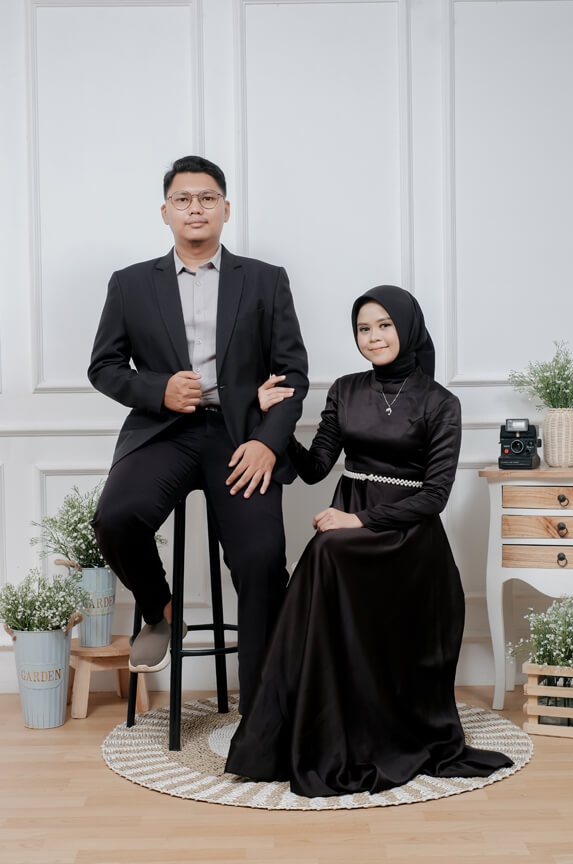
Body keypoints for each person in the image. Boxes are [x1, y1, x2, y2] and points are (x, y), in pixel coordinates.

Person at [225, 285, 512, 796]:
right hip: (348, 528)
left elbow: (435, 497)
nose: (373, 337)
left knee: (326, 549)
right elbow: (314, 468)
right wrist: (270, 420)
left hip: (407, 540)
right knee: (324, 552)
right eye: (363, 328)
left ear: (408, 328)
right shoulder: (345, 390)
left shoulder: (441, 402)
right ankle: (293, 732)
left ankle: (327, 729)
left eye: (384, 325)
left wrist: (358, 521)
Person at [88, 156, 308, 712]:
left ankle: (264, 712)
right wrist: (158, 389)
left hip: (241, 437)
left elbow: (293, 375)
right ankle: (160, 611)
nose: (195, 208)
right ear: (165, 212)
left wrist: (267, 442)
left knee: (261, 559)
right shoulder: (130, 283)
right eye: (182, 199)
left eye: (207, 198)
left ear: (225, 209)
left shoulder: (265, 279)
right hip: (163, 432)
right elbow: (104, 367)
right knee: (115, 519)